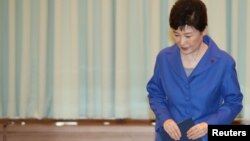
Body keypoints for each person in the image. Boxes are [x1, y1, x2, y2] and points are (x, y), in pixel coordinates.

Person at [146, 0, 243, 141]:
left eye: (188, 36)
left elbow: (234, 102)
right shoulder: (164, 59)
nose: (181, 42)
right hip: (170, 137)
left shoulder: (223, 62)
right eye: (176, 34)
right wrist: (165, 119)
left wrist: (209, 125)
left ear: (203, 31)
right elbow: (155, 93)